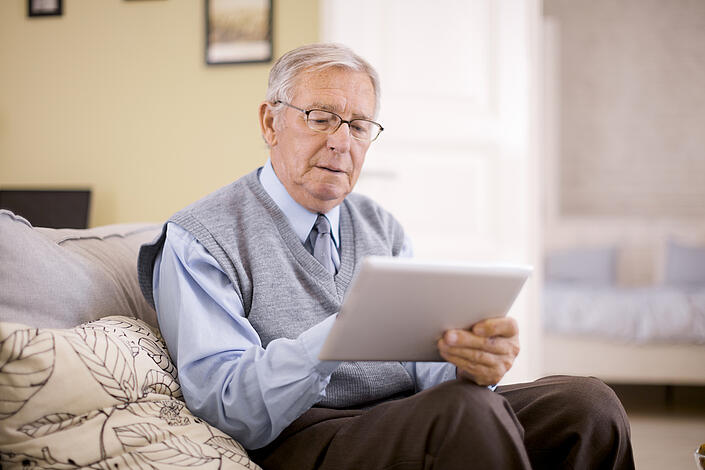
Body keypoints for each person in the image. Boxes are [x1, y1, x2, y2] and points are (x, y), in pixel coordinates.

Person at [138, 43, 634, 469]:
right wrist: (339, 337)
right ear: (271, 122)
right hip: (302, 437)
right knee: (465, 412)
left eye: (358, 126)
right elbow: (227, 407)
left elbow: (426, 371)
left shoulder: (380, 225)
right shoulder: (200, 238)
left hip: (410, 415)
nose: (340, 142)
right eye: (320, 118)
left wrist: (470, 364)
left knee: (589, 404)